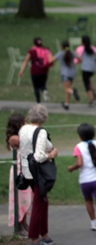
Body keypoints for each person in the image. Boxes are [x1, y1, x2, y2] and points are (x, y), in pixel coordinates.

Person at [19, 104, 58, 245]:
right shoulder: (40, 132)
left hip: (26, 170)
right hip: (38, 172)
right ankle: (34, 237)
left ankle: (45, 234)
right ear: (44, 117)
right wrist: (52, 154)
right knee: (38, 203)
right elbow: (39, 156)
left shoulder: (23, 129)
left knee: (43, 201)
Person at [68, 123, 96, 235]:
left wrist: (72, 168)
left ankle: (93, 223)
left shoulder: (78, 147)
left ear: (80, 136)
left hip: (85, 180)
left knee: (88, 200)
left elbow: (79, 163)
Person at [6, 113, 32, 237]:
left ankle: (25, 223)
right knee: (20, 198)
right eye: (23, 122)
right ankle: (19, 225)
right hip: (19, 171)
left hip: (27, 169)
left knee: (28, 199)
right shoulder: (14, 138)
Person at [18, 38, 54, 103]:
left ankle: (38, 102)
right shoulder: (46, 50)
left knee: (36, 87)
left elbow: (26, 61)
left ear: (34, 43)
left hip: (35, 71)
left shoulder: (31, 51)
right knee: (43, 85)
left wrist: (21, 71)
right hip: (44, 70)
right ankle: (44, 91)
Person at [75, 35, 96, 107]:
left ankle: (92, 100)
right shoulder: (92, 47)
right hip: (92, 68)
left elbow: (77, 58)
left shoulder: (80, 48)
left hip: (85, 68)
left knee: (86, 84)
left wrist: (74, 64)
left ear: (82, 41)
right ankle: (94, 91)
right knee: (88, 81)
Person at [53, 40, 81, 111]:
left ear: (62, 46)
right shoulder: (72, 52)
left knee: (67, 89)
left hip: (65, 73)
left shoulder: (61, 53)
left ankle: (73, 92)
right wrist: (75, 63)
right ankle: (66, 104)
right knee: (68, 88)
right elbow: (80, 59)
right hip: (72, 73)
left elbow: (51, 60)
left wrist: (48, 56)